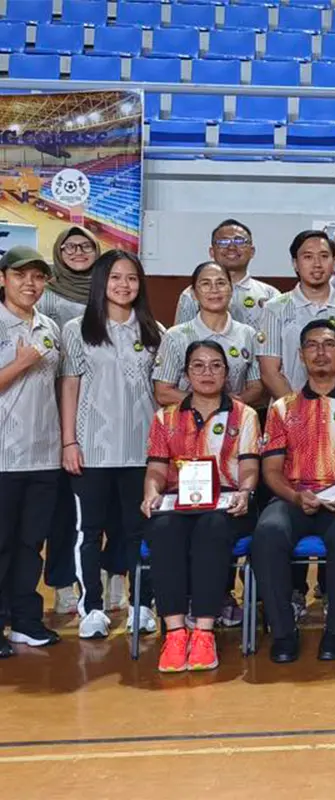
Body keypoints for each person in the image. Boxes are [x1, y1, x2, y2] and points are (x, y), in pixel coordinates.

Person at [251, 320, 335, 663]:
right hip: (295, 497)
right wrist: (296, 497)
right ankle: (283, 632)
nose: (321, 352)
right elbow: (271, 471)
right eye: (312, 345)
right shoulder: (282, 408)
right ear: (301, 355)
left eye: (328, 344)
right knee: (267, 532)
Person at [61, 249, 164, 639]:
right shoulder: (77, 329)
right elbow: (69, 385)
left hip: (142, 450)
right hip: (92, 448)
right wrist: (69, 441)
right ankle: (92, 608)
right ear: (101, 281)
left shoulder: (156, 331)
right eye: (116, 277)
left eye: (132, 278)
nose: (124, 285)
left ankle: (142, 605)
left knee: (141, 532)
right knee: (90, 532)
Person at [140, 340, 261, 673]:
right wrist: (150, 491)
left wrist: (246, 492)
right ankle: (176, 632)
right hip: (178, 503)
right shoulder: (166, 417)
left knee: (213, 528)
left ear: (227, 373)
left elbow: (250, 467)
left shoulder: (245, 415)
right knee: (163, 530)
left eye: (215, 365)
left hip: (226, 503)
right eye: (198, 365)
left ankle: (205, 632)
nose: (207, 372)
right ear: (185, 374)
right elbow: (156, 469)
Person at [0, 246, 64, 655]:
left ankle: (25, 619)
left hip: (44, 455)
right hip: (4, 457)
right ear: (3, 278)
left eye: (38, 277)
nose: (30, 283)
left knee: (29, 544)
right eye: (22, 275)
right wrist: (21, 362)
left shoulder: (50, 326)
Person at [35, 226, 100, 614]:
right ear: (58, 253)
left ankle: (108, 580)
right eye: (69, 246)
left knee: (102, 511)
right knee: (63, 511)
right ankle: (61, 584)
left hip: (104, 415)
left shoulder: (109, 289)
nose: (78, 252)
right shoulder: (48, 295)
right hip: (57, 408)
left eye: (85, 245)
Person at [257, 230, 335, 399]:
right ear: (295, 264)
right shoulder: (273, 309)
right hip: (287, 415)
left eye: (324, 256)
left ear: (334, 262)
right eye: (308, 257)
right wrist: (297, 413)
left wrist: (334, 407)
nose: (317, 264)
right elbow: (269, 372)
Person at [154, 262, 263, 409]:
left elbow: (256, 387)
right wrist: (211, 403)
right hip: (186, 423)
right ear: (193, 293)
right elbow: (163, 392)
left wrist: (233, 404)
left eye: (221, 283)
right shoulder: (176, 336)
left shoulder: (248, 334)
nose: (214, 290)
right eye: (205, 284)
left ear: (231, 290)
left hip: (232, 422)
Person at [176, 219, 279, 326]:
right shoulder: (192, 294)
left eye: (239, 241)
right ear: (212, 252)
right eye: (223, 242)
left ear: (252, 252)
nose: (231, 247)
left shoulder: (270, 295)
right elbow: (182, 337)